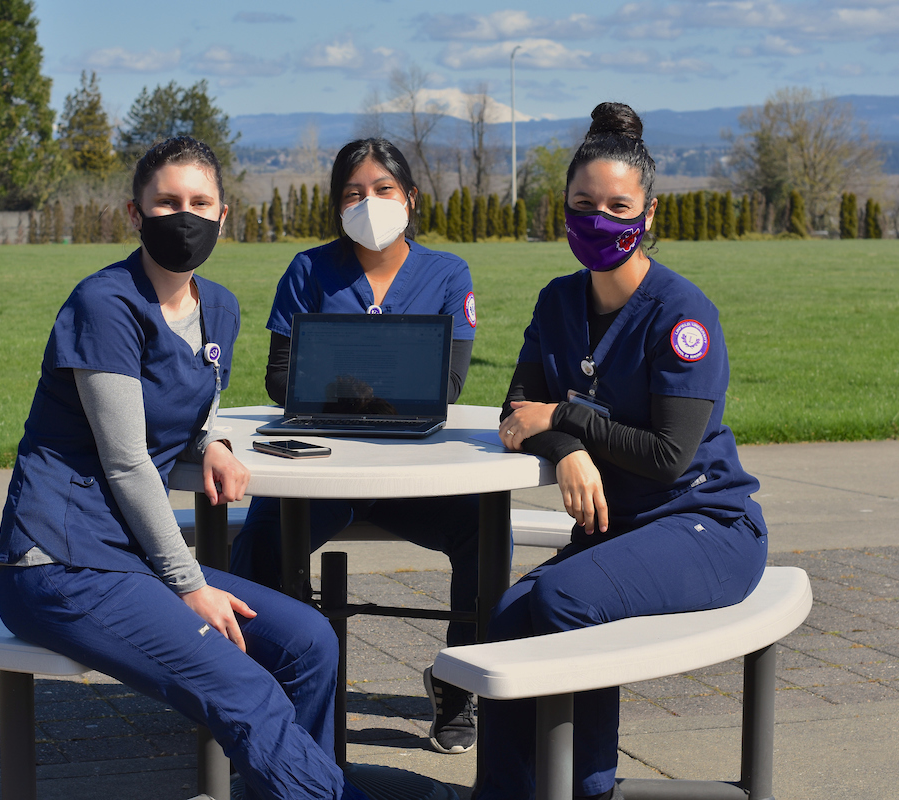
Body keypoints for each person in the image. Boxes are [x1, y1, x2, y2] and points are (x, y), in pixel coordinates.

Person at [0, 137, 368, 800]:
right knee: (245, 687)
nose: (183, 215)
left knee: (309, 642)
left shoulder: (218, 306)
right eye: (166, 202)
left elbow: (194, 410)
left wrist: (214, 442)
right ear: (134, 215)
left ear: (224, 214)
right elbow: (128, 459)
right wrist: (189, 583)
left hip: (130, 560)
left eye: (199, 202)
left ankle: (295, 788)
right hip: (63, 563)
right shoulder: (103, 305)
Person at [470, 103, 769, 800]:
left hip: (705, 525)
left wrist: (567, 417)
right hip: (622, 528)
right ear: (562, 207)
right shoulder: (557, 303)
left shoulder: (681, 315)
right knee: (511, 615)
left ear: (648, 214)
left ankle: (588, 788)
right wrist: (570, 450)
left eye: (617, 206)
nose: (598, 219)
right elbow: (517, 413)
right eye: (583, 204)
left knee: (567, 596)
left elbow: (668, 456)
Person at [228, 137, 482, 755]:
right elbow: (280, 377)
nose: (368, 202)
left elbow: (446, 383)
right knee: (259, 544)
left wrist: (344, 385)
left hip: (408, 473)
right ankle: (271, 692)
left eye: (383, 190)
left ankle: (458, 682)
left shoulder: (448, 274)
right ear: (336, 205)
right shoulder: (308, 271)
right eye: (352, 193)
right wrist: (375, 389)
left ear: (411, 198)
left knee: (485, 529)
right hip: (323, 471)